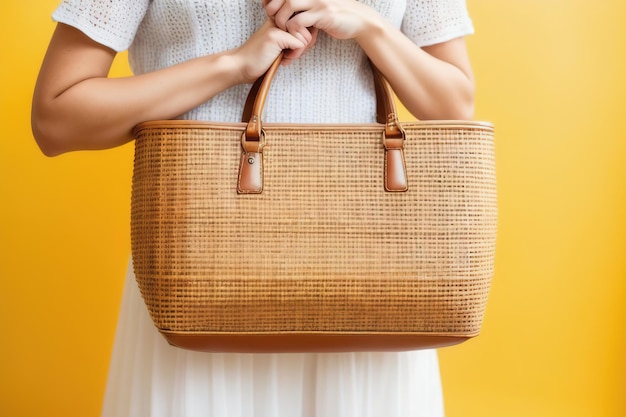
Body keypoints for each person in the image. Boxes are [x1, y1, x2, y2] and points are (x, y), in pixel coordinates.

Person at [32, 1, 476, 416]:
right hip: (202, 273)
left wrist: (367, 23)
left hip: (370, 288)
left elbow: (455, 106)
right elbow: (57, 118)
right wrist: (233, 66)